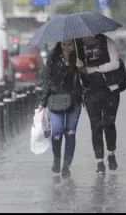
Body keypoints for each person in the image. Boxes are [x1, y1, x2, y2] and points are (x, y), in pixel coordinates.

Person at [38, 39, 84, 178]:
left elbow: (87, 80)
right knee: (56, 131)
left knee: (70, 133)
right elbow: (46, 79)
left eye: (70, 44)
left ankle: (66, 165)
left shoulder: (79, 56)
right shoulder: (53, 57)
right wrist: (43, 101)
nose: (67, 47)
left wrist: (81, 68)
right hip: (56, 99)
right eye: (64, 44)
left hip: (74, 100)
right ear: (60, 44)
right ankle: (57, 159)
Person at [79, 34, 121, 174]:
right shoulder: (79, 46)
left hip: (110, 89)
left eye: (84, 36)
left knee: (109, 123)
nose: (83, 38)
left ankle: (111, 153)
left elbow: (115, 63)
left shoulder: (106, 41)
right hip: (90, 92)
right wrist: (79, 66)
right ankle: (99, 162)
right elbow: (76, 71)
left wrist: (96, 68)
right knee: (96, 126)